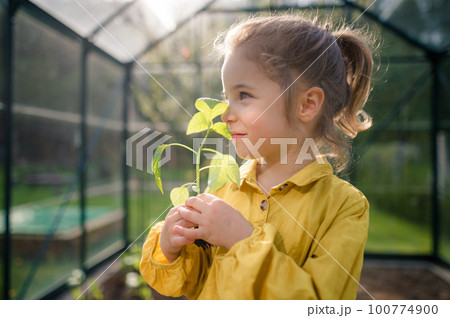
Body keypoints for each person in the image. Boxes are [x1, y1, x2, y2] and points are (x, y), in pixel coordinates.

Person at [140, 14, 374, 299]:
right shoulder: (223, 187)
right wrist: (172, 246)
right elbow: (194, 283)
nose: (225, 114)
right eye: (227, 97)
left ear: (307, 104)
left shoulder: (344, 207)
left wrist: (241, 239)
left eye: (244, 96)